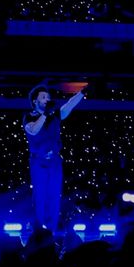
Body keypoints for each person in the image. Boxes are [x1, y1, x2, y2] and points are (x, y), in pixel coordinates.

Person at [23, 83, 88, 235]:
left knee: (54, 196)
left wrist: (81, 93)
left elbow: (68, 105)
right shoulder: (29, 117)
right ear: (35, 101)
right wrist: (45, 114)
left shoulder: (54, 116)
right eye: (43, 97)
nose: (47, 100)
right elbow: (33, 130)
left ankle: (52, 231)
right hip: (38, 161)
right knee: (40, 196)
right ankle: (39, 230)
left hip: (55, 162)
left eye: (48, 97)